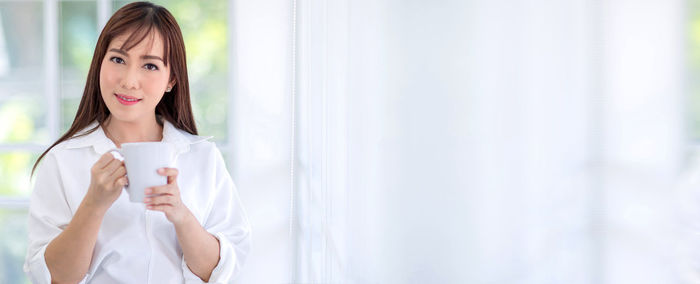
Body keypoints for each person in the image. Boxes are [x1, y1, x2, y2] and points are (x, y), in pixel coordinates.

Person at [23, 2, 251, 283]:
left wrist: (180, 214)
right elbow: (54, 277)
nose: (130, 81)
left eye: (150, 65)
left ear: (172, 80)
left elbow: (220, 271)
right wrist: (93, 205)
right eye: (118, 59)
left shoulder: (202, 157)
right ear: (99, 63)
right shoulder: (63, 161)